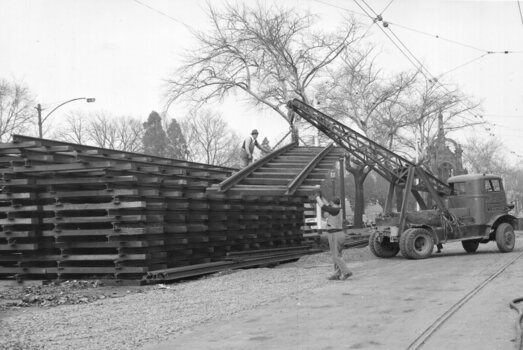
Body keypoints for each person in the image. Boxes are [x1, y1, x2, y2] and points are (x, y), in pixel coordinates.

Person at [316, 191, 353, 281]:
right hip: (339, 233)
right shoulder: (337, 209)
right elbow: (327, 204)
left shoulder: (334, 210)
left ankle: (346, 272)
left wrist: (317, 197)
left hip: (334, 234)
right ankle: (337, 273)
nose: (329, 204)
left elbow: (323, 206)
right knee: (337, 255)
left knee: (336, 256)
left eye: (330, 203)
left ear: (333, 203)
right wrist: (322, 197)